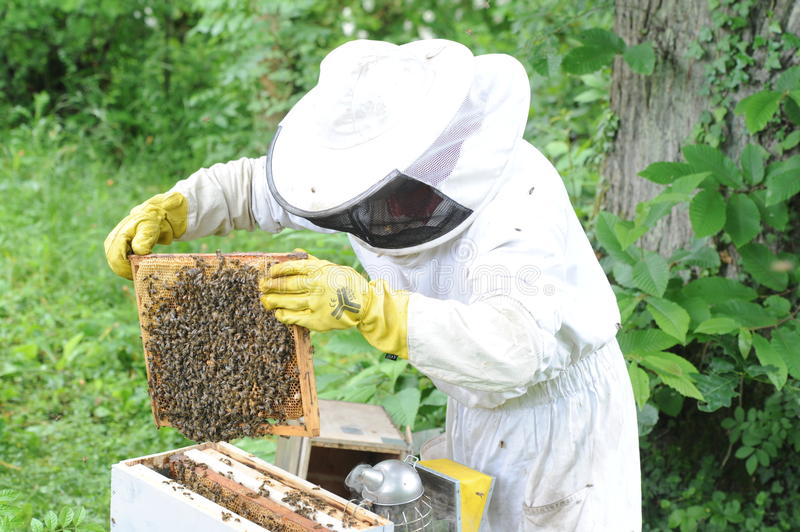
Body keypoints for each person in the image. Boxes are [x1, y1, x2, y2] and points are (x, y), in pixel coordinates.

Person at [105, 39, 641, 531]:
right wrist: (181, 207)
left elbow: (511, 352)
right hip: (477, 402)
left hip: (556, 425)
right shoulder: (374, 183)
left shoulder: (519, 208)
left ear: (423, 157)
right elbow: (259, 187)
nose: (367, 211)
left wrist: (369, 307)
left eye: (375, 192)